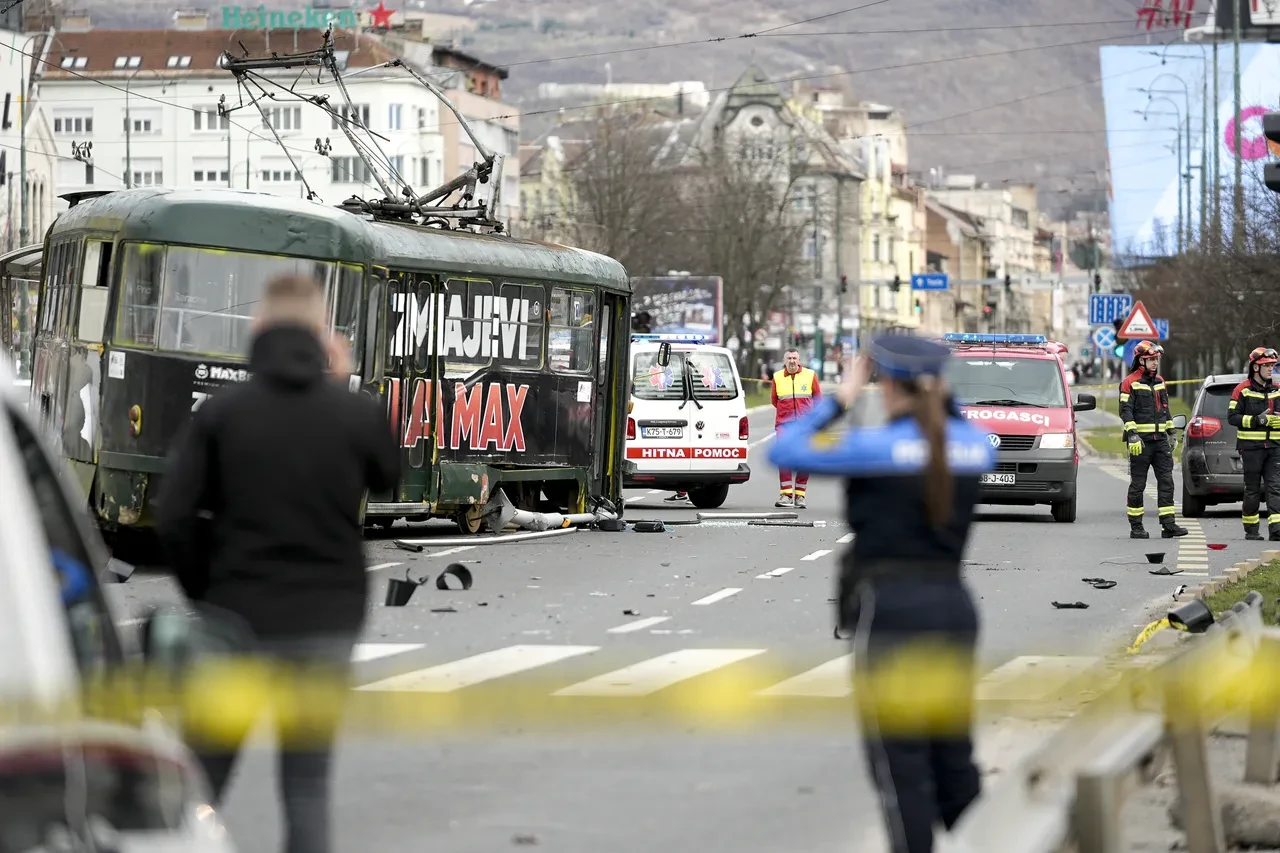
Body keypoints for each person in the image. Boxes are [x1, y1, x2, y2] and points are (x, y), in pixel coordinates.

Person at [154, 273, 400, 853]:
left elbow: (174, 519)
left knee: (205, 775)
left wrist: (207, 594)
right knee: (306, 784)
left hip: (237, 616)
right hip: (326, 622)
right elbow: (388, 474)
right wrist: (340, 386)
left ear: (258, 328)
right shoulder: (350, 413)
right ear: (323, 335)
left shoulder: (222, 413)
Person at [768, 334, 995, 853]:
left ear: (885, 383)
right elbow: (956, 423)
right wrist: (938, 387)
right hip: (954, 612)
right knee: (955, 765)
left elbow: (785, 449)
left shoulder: (873, 449)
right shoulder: (970, 446)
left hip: (891, 615)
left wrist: (841, 396)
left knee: (903, 773)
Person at [1119, 340, 1188, 540]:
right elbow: (1125, 411)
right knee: (1138, 484)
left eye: (1156, 359)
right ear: (1141, 360)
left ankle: (1168, 525)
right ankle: (1136, 527)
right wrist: (1132, 435)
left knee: (1167, 482)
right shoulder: (1130, 382)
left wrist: (1171, 431)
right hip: (1140, 442)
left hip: (1159, 442)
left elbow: (1165, 409)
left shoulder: (1160, 381)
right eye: (1151, 359)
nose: (1155, 362)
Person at [1227, 347, 1280, 541]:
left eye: (1272, 366)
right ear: (1255, 367)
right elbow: (1232, 417)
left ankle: (1277, 530)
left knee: (1275, 487)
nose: (1270, 369)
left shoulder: (1277, 390)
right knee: (1252, 488)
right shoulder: (1242, 390)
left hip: (1274, 447)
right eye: (1267, 366)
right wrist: (1257, 420)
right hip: (1250, 448)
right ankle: (1251, 530)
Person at [771, 348, 821, 508]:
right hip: (784, 424)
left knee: (804, 458)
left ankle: (800, 495)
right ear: (784, 361)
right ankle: (786, 495)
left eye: (794, 358)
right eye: (789, 358)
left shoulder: (810, 375)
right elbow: (774, 400)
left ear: (799, 360)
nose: (792, 361)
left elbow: (818, 399)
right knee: (784, 457)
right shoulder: (777, 377)